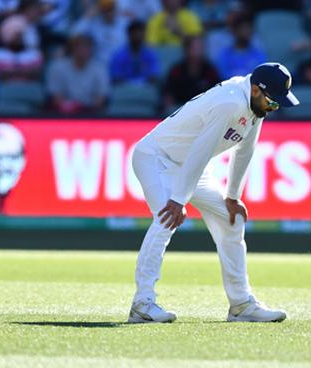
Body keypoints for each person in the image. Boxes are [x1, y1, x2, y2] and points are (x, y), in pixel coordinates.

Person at [128, 62, 299, 323]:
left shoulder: (254, 106)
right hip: (157, 158)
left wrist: (233, 196)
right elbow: (201, 151)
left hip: (187, 166)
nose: (272, 108)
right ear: (255, 90)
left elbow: (245, 150)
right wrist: (178, 199)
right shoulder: (229, 103)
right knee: (166, 218)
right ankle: (142, 304)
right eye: (272, 102)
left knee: (232, 219)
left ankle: (241, 305)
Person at [46, 34, 110, 114]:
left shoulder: (100, 68)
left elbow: (101, 97)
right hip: (63, 114)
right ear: (72, 48)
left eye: (87, 47)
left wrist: (89, 112)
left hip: (91, 114)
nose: (84, 50)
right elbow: (56, 97)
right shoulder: (57, 67)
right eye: (80, 47)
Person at [162, 36, 220, 108]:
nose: (200, 51)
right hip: (180, 110)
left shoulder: (210, 70)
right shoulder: (176, 71)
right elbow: (168, 96)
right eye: (196, 48)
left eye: (201, 48)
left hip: (204, 110)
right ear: (186, 50)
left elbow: (217, 93)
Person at [109, 20, 160, 84]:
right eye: (135, 33)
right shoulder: (118, 55)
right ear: (129, 34)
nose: (138, 36)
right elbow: (116, 78)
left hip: (145, 89)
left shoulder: (151, 54)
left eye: (141, 33)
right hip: (124, 90)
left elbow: (154, 76)